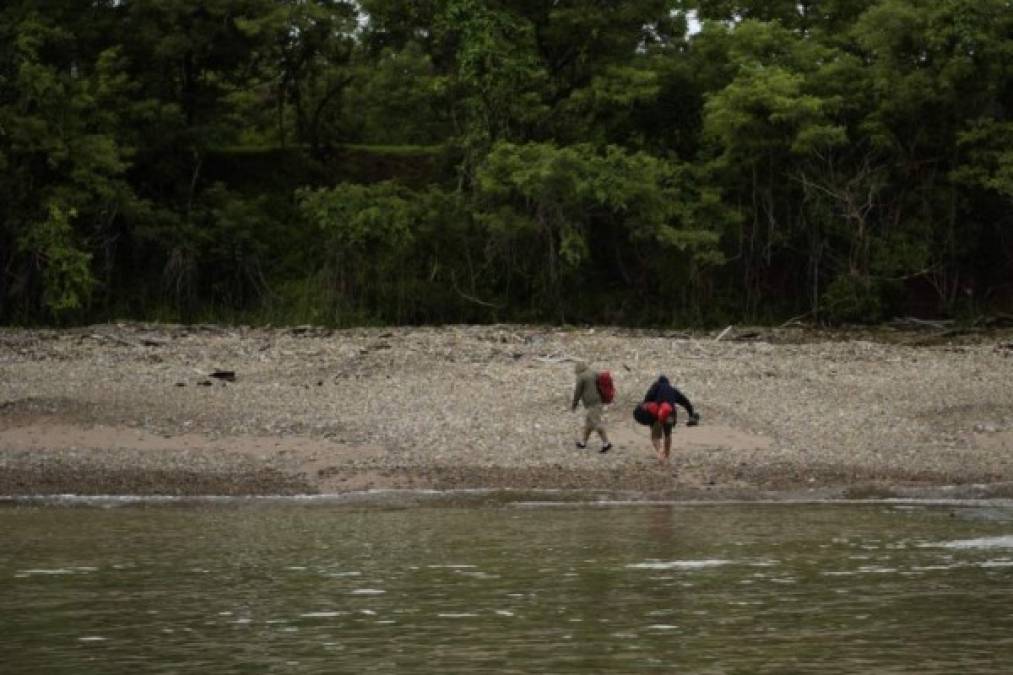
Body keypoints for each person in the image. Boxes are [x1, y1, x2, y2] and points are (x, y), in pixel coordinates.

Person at [642, 374, 699, 464]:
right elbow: (685, 401)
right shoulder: (672, 390)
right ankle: (667, 456)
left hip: (658, 414)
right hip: (670, 413)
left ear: (659, 381)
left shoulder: (656, 386)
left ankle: (660, 451)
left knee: (655, 436)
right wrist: (691, 414)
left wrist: (644, 411)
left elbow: (647, 400)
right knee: (667, 434)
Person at [571, 361, 612, 453]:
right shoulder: (593, 372)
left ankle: (606, 443)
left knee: (596, 423)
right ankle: (583, 443)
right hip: (599, 400)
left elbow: (577, 392)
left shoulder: (581, 377)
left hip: (591, 403)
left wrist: (574, 404)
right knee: (589, 424)